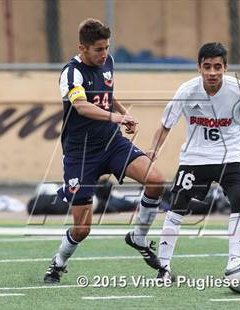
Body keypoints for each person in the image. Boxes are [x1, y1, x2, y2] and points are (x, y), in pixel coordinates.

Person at [44, 18, 164, 283]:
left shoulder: (107, 63)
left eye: (107, 47)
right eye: (98, 49)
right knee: (82, 228)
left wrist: (122, 112)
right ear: (83, 48)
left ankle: (139, 236)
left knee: (156, 181)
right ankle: (58, 262)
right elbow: (82, 106)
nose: (104, 54)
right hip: (81, 155)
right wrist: (114, 117)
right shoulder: (71, 73)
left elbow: (107, 93)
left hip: (112, 144)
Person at [144, 42, 240, 280]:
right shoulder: (186, 91)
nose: (212, 72)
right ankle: (164, 268)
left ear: (225, 68)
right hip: (195, 158)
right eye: (207, 66)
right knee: (177, 205)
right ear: (199, 67)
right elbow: (166, 126)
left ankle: (235, 262)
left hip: (231, 156)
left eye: (218, 67)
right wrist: (153, 151)